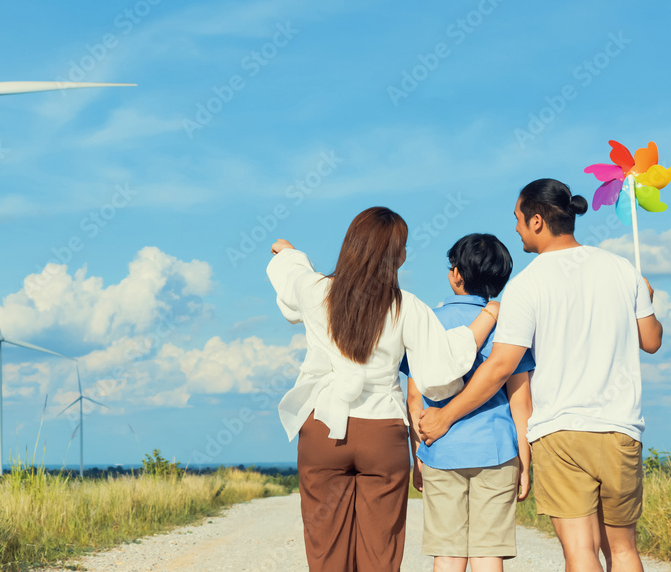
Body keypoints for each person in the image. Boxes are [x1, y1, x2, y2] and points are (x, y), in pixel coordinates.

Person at [418, 179, 664, 572]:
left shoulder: (525, 285)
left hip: (560, 430)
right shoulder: (623, 269)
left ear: (536, 220)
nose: (515, 228)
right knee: (622, 550)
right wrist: (646, 297)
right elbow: (651, 341)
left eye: (517, 219)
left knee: (580, 552)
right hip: (620, 427)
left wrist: (446, 415)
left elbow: (500, 367)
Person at [267, 207, 500, 572]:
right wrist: (485, 318)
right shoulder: (407, 306)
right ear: (397, 256)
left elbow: (291, 274)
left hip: (324, 429)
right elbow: (440, 369)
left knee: (325, 550)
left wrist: (287, 251)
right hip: (381, 433)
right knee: (381, 553)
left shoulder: (316, 290)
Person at [405, 233, 534, 572]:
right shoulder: (509, 325)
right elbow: (520, 399)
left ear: (456, 274)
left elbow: (415, 396)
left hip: (439, 447)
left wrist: (416, 452)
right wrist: (525, 457)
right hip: (497, 450)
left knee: (446, 553)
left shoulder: (427, 322)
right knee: (488, 552)